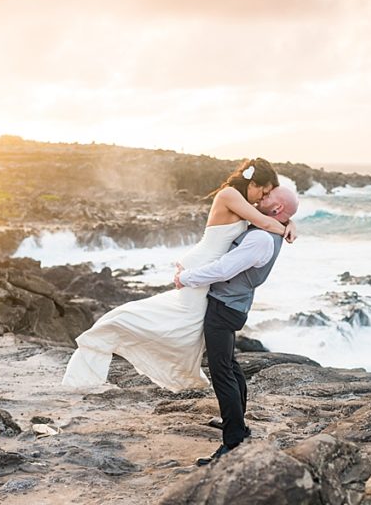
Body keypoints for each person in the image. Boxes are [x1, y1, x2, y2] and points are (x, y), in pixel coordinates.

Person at [62, 158, 297, 391]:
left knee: (188, 329)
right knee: (180, 326)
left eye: (267, 195)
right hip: (202, 267)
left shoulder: (243, 200)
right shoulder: (230, 195)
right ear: (252, 182)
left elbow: (269, 217)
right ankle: (107, 335)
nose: (262, 198)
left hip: (205, 269)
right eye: (263, 192)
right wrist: (286, 228)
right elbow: (265, 223)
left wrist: (290, 222)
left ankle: (187, 373)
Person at [173, 186, 299, 466]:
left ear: (277, 209)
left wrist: (186, 277)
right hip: (232, 304)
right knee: (229, 364)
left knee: (221, 373)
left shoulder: (262, 239)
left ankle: (233, 443)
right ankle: (237, 424)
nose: (259, 200)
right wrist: (290, 223)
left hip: (224, 308)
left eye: (267, 198)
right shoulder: (270, 228)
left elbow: (223, 269)